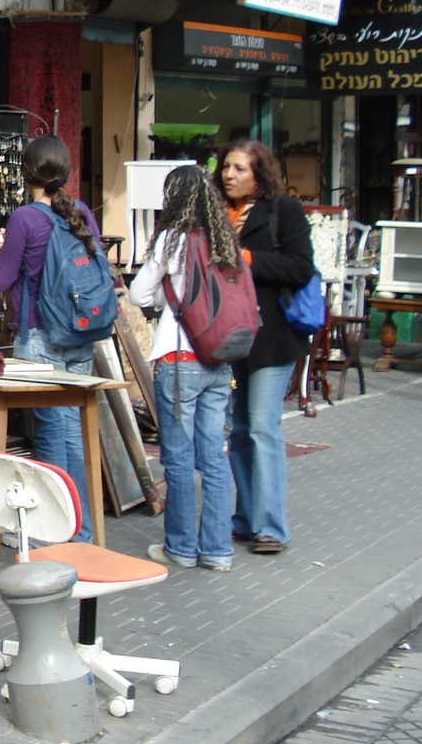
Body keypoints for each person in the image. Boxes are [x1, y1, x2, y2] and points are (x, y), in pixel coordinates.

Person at [0, 135, 102, 541]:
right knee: (72, 433)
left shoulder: (25, 218)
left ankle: (51, 532)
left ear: (25, 172)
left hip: (39, 337)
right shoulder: (81, 210)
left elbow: (3, 279)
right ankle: (79, 531)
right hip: (80, 335)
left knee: (50, 433)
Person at [129, 165, 239, 571]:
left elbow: (141, 291)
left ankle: (180, 547)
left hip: (179, 359)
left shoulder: (172, 240)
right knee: (213, 455)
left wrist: (164, 299)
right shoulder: (223, 237)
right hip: (218, 358)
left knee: (177, 457)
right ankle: (217, 550)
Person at [214, 138, 315, 555]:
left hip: (272, 338)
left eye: (240, 169)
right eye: (226, 167)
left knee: (261, 427)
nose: (230, 175)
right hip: (228, 339)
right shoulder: (215, 213)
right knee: (238, 430)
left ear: (259, 175)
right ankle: (245, 517)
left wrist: (247, 258)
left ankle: (272, 526)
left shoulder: (283, 210)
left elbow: (300, 266)